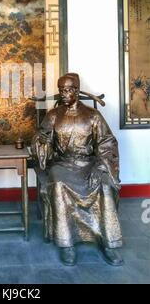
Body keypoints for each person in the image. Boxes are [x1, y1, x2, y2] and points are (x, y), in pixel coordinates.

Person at [32, 73, 123, 266]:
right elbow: (41, 137)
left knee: (105, 186)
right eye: (61, 91)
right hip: (62, 164)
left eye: (67, 90)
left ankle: (108, 242)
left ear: (76, 90)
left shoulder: (92, 116)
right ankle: (67, 244)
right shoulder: (53, 115)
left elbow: (107, 143)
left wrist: (100, 165)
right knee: (58, 184)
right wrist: (43, 143)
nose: (63, 94)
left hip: (89, 164)